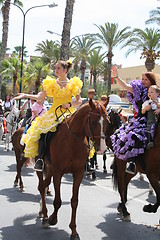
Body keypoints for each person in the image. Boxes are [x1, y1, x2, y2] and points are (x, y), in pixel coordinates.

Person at [14, 60, 82, 171]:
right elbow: (40, 97)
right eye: (55, 68)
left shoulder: (73, 84)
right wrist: (25, 95)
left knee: (82, 129)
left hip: (68, 112)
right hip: (53, 113)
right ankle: (40, 159)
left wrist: (69, 104)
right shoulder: (51, 83)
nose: (56, 70)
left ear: (65, 70)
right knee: (42, 131)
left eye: (58, 68)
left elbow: (79, 101)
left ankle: (85, 161)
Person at [111, 65, 158, 175]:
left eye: (146, 79)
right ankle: (130, 162)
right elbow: (126, 86)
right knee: (129, 135)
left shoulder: (156, 91)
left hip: (155, 117)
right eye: (142, 79)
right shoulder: (138, 89)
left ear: (151, 81)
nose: (144, 81)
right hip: (141, 119)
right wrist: (116, 77)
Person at [141, 85, 160, 149]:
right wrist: (146, 108)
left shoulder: (159, 101)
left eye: (152, 92)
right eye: (149, 92)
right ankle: (150, 141)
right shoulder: (147, 102)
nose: (149, 94)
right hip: (151, 118)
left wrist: (159, 109)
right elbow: (142, 111)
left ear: (157, 94)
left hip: (158, 118)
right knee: (149, 126)